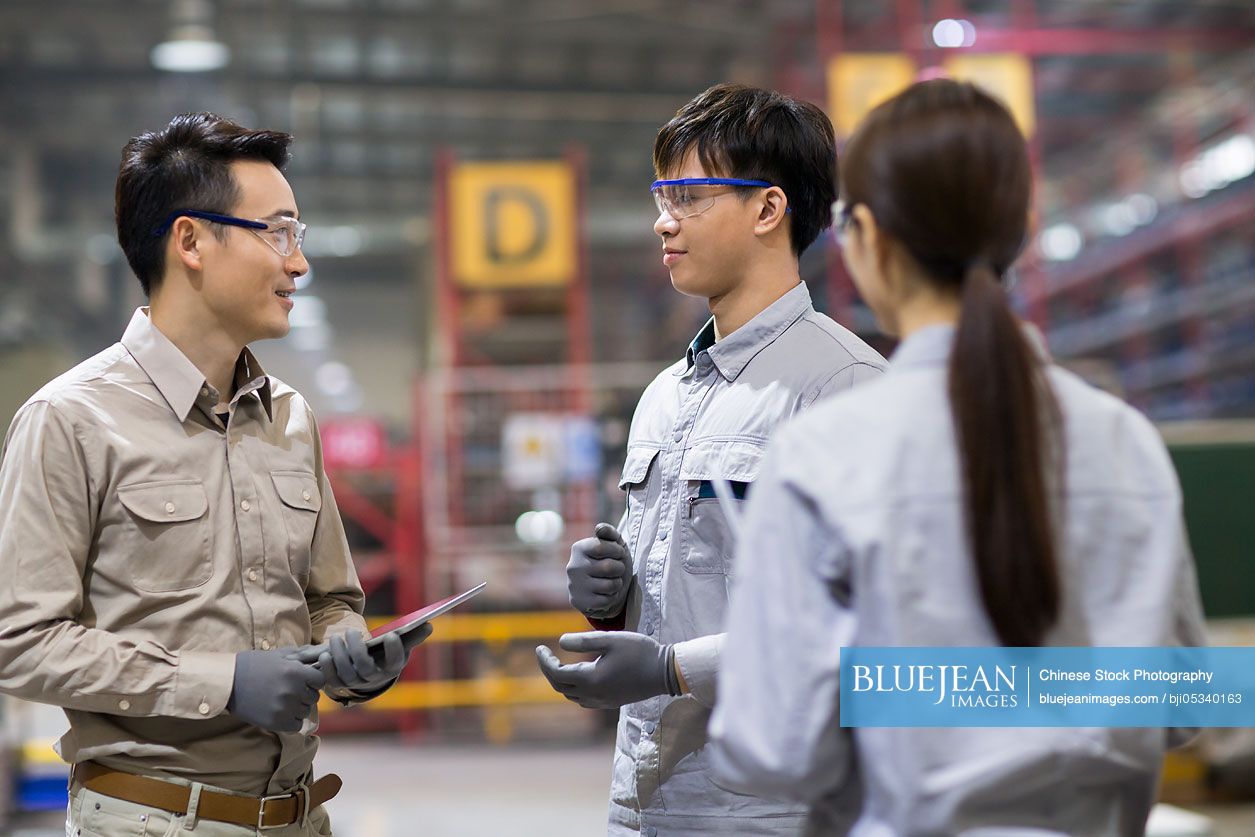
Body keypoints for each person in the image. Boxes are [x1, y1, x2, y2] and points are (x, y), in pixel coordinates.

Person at [709, 79, 1207, 835]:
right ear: (1019, 232)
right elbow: (1179, 706)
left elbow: (770, 747)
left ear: (868, 236)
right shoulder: (1124, 442)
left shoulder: (825, 454)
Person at [0, 113, 429, 835]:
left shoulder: (290, 418)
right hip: (152, 819)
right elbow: (21, 641)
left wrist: (349, 647)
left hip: (299, 815)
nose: (298, 264)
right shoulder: (70, 420)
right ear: (191, 240)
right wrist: (221, 683)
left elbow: (330, 598)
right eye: (278, 232)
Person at [535, 83, 887, 836]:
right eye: (662, 195)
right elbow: (688, 580)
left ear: (767, 209)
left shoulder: (843, 388)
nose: (663, 220)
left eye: (689, 196)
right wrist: (611, 593)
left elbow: (862, 622)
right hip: (647, 799)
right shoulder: (664, 395)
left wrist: (669, 668)